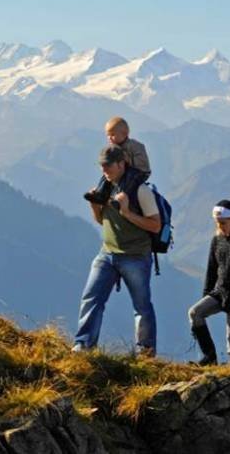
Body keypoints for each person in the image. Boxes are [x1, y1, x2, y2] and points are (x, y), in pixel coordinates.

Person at [73, 145, 161, 356]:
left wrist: (127, 212)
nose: (105, 170)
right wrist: (95, 205)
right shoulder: (106, 186)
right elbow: (102, 220)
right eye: (102, 166)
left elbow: (155, 225)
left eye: (108, 165)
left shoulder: (141, 190)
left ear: (122, 164)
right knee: (91, 298)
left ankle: (145, 353)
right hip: (107, 253)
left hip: (135, 256)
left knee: (141, 306)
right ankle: (83, 345)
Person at [187, 200, 230, 366]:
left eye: (223, 223)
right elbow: (212, 269)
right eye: (217, 223)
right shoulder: (217, 240)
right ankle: (209, 358)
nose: (220, 226)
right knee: (195, 313)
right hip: (219, 292)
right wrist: (206, 295)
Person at [83, 117, 151, 206]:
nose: (109, 138)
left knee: (129, 179)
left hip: (139, 171)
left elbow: (142, 164)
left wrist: (128, 161)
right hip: (125, 169)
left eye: (112, 135)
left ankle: (120, 198)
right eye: (108, 135)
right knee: (107, 174)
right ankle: (100, 194)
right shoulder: (114, 148)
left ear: (124, 134)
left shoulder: (135, 146)